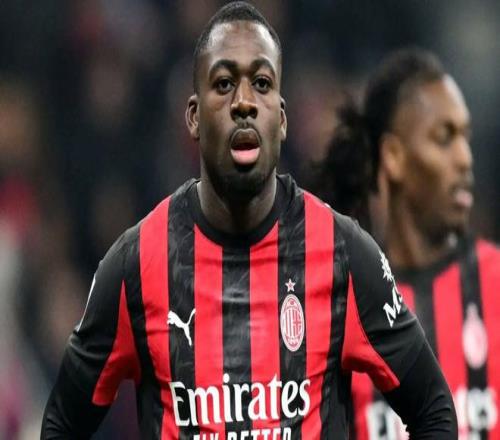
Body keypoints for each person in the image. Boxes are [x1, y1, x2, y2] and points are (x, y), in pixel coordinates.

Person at [41, 4, 457, 439]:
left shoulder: (344, 253)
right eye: (224, 84)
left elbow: (433, 410)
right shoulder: (137, 262)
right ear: (194, 117)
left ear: (281, 118)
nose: (243, 103)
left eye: (261, 83)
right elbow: (61, 423)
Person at [316, 47, 500, 439]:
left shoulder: (496, 284)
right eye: (444, 138)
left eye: (465, 137)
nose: (465, 158)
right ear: (394, 156)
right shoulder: (344, 304)